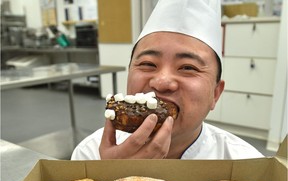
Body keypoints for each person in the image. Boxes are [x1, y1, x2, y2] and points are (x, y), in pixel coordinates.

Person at [71, 0, 263, 160]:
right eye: (148, 64)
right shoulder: (89, 156)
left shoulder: (244, 165)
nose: (162, 82)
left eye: (188, 67)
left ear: (215, 94)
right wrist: (107, 174)